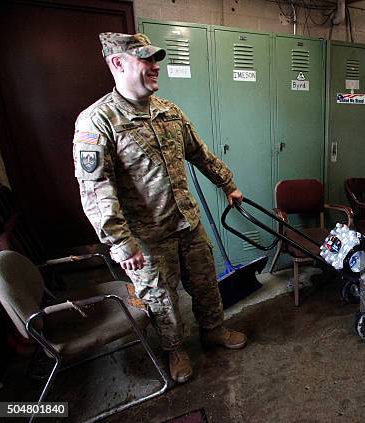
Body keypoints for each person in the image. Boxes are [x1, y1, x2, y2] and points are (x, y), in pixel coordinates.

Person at [73, 32, 247, 384]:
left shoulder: (169, 112)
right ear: (118, 63)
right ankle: (174, 350)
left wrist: (227, 183)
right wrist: (121, 243)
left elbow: (200, 153)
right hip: (146, 237)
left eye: (156, 60)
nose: (155, 67)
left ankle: (213, 331)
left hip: (188, 222)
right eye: (146, 60)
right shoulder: (98, 121)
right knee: (161, 298)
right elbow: (95, 189)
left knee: (204, 283)